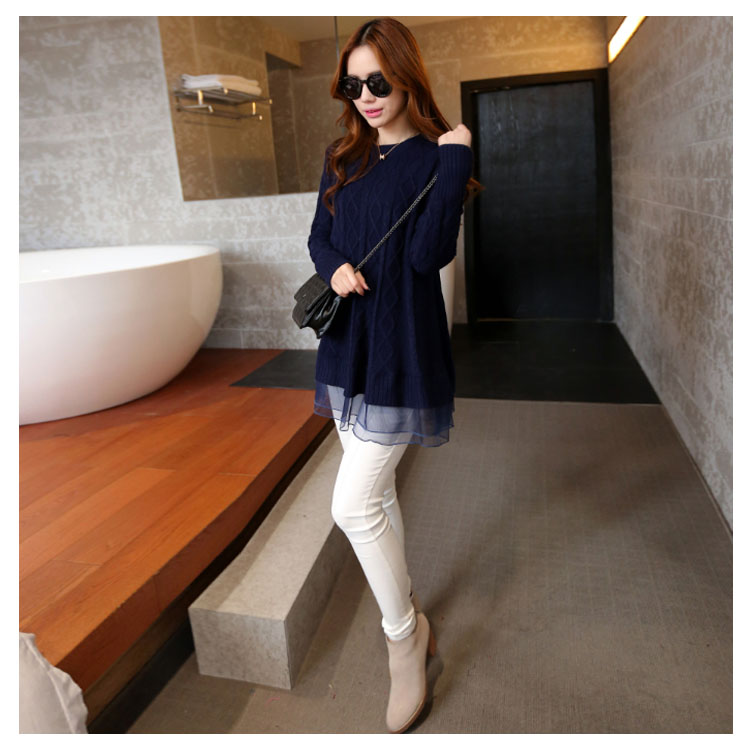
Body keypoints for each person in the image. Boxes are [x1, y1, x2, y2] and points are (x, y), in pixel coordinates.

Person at [306, 17, 481, 733]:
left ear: (408, 76)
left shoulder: (436, 159)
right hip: (346, 344)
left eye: (379, 81)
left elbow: (426, 255)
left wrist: (455, 159)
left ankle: (403, 640)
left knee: (352, 506)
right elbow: (319, 234)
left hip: (400, 346)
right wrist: (334, 269)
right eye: (354, 85)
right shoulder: (343, 155)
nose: (367, 96)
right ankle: (413, 618)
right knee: (376, 499)